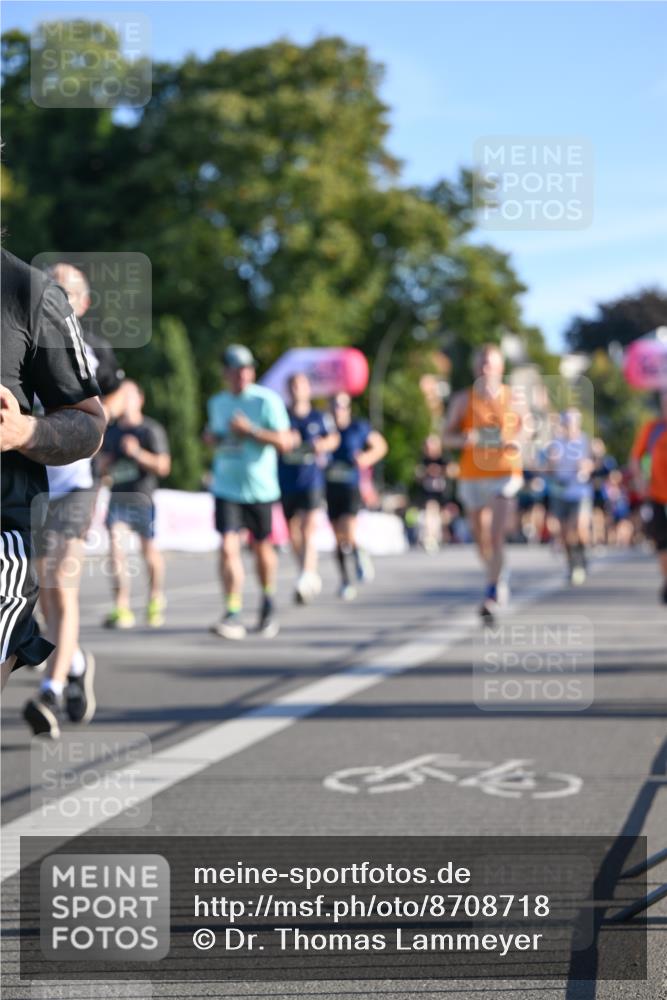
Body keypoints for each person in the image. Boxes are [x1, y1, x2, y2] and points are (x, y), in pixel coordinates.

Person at [23, 263, 125, 737]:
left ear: (81, 304)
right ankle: (78, 661)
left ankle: (51, 689)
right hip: (34, 486)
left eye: (65, 290)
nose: (55, 294)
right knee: (45, 603)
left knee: (62, 588)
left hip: (77, 486)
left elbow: (127, 394)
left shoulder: (93, 349)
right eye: (49, 286)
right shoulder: (25, 337)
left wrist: (94, 424)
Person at [1, 248, 105, 693]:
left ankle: (60, 678)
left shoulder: (30, 293)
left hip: (16, 522)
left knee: (61, 583)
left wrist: (24, 431)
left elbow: (91, 420)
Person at [205, 345, 295, 639]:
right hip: (226, 487)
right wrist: (212, 438)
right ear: (226, 374)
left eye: (246, 370)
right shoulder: (217, 402)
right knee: (227, 547)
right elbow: (217, 436)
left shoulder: (266, 400)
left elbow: (286, 442)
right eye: (235, 371)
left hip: (260, 489)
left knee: (261, 549)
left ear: (252, 372)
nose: (242, 375)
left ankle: (268, 600)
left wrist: (251, 431)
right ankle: (232, 612)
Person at [442, 344, 523, 623]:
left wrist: (517, 442)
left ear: (501, 367)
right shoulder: (463, 400)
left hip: (504, 472)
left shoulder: (514, 399)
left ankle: (491, 591)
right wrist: (464, 439)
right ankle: (497, 574)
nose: (485, 369)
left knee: (497, 533)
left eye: (490, 363)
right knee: (481, 538)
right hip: (472, 474)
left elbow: (530, 431)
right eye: (481, 364)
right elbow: (446, 436)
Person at [99, 382, 171, 628]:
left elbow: (163, 466)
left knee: (148, 551)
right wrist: (104, 464)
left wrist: (138, 453)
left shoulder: (150, 430)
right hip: (118, 498)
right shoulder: (111, 432)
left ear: (140, 400)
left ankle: (155, 598)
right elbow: (100, 468)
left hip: (143, 498)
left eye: (130, 397)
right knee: (116, 552)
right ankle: (121, 606)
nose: (125, 402)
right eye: (122, 397)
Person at [278, 373, 339, 604]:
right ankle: (306, 571)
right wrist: (283, 440)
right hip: (286, 480)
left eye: (300, 385)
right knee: (292, 532)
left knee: (307, 528)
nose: (296, 390)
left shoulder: (319, 417)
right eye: (292, 385)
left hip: (311, 480)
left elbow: (334, 439)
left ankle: (306, 575)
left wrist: (322, 444)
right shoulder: (282, 416)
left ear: (307, 390)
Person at [326, 392, 388, 601]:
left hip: (351, 487)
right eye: (334, 405)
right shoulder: (326, 430)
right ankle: (345, 580)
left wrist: (365, 458)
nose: (338, 410)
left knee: (348, 531)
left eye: (342, 406)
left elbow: (381, 446)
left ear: (349, 408)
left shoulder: (358, 428)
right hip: (330, 487)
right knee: (338, 539)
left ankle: (359, 552)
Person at [545, 408, 594, 585]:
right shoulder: (556, 443)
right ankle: (572, 564)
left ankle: (582, 557)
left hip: (580, 491)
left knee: (579, 529)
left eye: (572, 423)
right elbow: (549, 468)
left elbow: (592, 462)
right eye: (566, 423)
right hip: (561, 491)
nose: (569, 427)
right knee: (564, 533)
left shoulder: (584, 440)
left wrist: (585, 466)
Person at [630, 392, 667, 604]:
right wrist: (640, 480)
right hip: (657, 496)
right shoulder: (653, 429)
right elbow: (636, 457)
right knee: (663, 544)